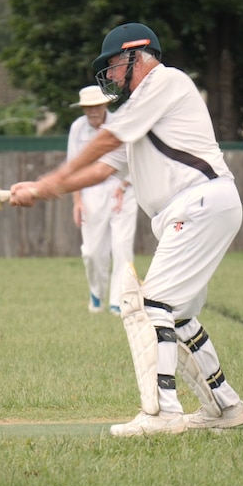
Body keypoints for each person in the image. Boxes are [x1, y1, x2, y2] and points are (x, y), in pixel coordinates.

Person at [10, 23, 243, 436]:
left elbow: (106, 139)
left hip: (200, 203)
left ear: (139, 54)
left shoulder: (165, 81)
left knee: (150, 305)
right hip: (203, 207)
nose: (111, 76)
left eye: (115, 64)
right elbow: (104, 167)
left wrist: (50, 180)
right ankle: (224, 406)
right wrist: (41, 190)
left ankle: (162, 414)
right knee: (181, 314)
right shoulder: (142, 114)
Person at [67, 85, 138, 315]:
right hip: (91, 191)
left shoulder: (121, 124)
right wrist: (77, 201)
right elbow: (72, 167)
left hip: (123, 191)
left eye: (96, 106)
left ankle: (119, 302)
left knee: (122, 248)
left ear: (105, 104)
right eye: (87, 108)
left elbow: (137, 160)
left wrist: (125, 184)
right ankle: (96, 293)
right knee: (91, 252)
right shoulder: (77, 128)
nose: (92, 112)